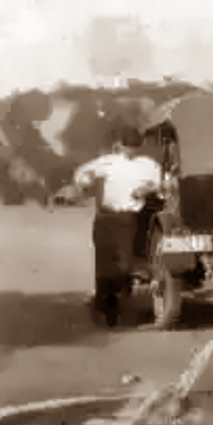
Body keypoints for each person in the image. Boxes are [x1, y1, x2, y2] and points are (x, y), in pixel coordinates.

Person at [71, 129, 163, 326]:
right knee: (103, 261)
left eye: (134, 146)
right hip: (106, 216)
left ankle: (117, 303)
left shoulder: (148, 165)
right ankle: (104, 304)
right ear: (120, 145)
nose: (130, 150)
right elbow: (82, 173)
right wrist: (85, 181)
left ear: (140, 146)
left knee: (122, 264)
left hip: (128, 218)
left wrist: (145, 189)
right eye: (127, 146)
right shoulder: (108, 162)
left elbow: (157, 184)